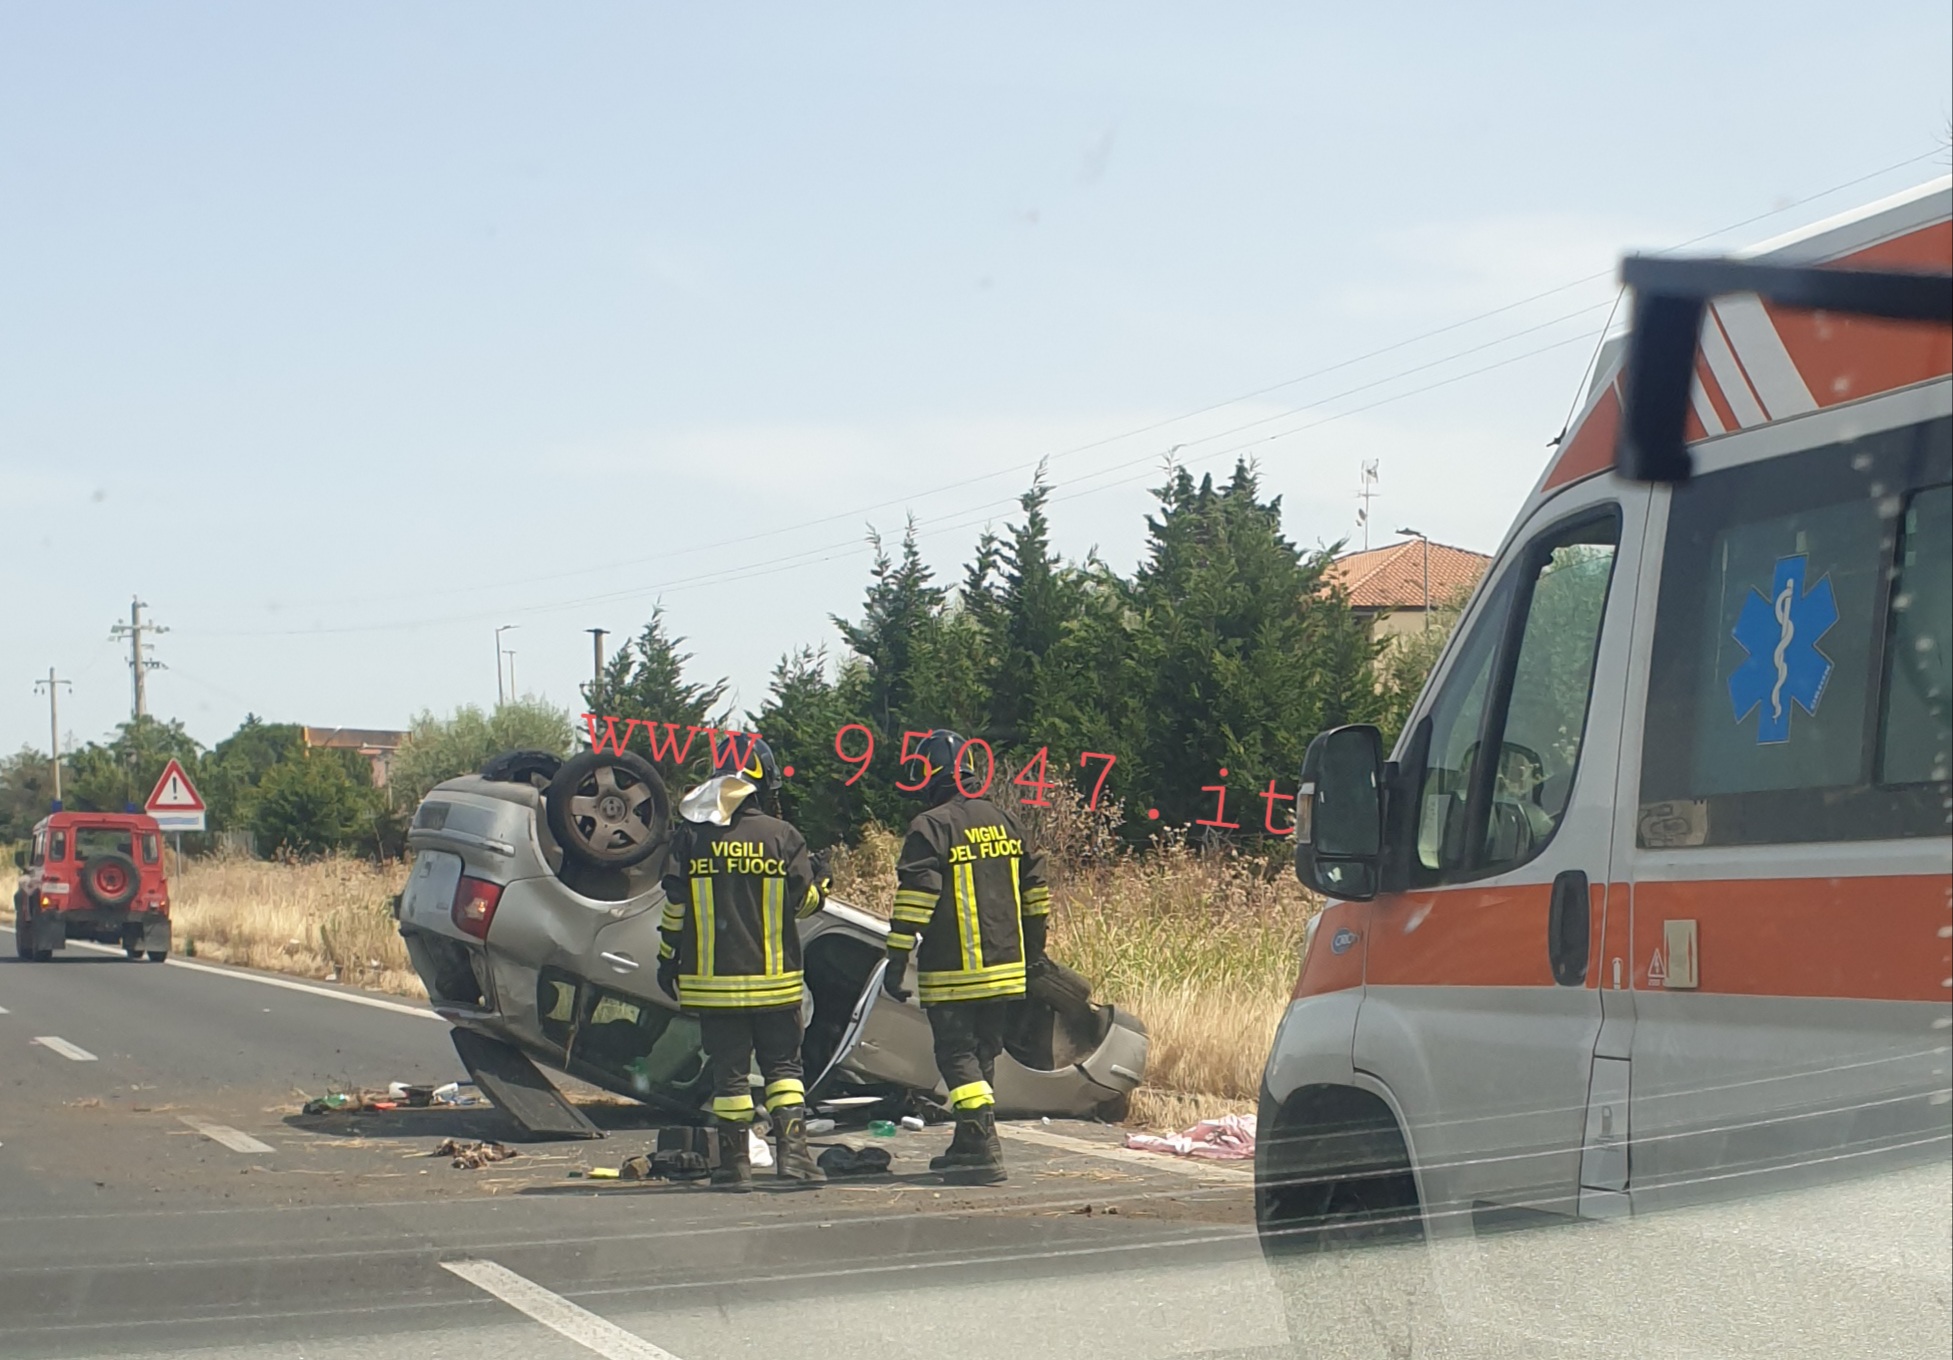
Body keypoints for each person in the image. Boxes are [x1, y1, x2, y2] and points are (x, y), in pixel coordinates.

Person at [658, 735, 830, 1190]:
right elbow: (805, 903)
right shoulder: (783, 836)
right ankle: (794, 1157)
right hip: (776, 984)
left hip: (715, 986)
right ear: (761, 783)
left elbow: (674, 907)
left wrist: (665, 959)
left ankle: (734, 1166)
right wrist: (823, 881)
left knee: (729, 1075)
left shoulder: (691, 836)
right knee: (784, 1070)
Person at [883, 729, 1051, 1184]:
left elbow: (915, 900)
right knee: (983, 1056)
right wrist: (1035, 954)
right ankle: (968, 1143)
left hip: (955, 969)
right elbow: (1036, 895)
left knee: (957, 1056)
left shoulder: (931, 826)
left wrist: (897, 960)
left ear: (932, 773)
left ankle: (986, 1148)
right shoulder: (1006, 820)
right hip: (1006, 968)